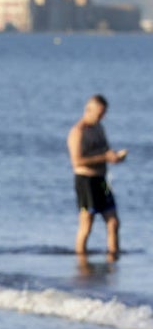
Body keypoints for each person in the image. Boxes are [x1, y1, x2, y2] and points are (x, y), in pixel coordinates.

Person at [67, 94, 127, 258]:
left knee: (113, 222)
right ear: (89, 110)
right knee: (87, 225)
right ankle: (81, 262)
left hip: (102, 180)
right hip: (86, 180)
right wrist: (104, 158)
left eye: (104, 114)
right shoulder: (77, 132)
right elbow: (77, 161)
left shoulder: (99, 128)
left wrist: (115, 157)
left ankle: (113, 259)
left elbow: (105, 151)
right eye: (99, 113)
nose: (102, 117)